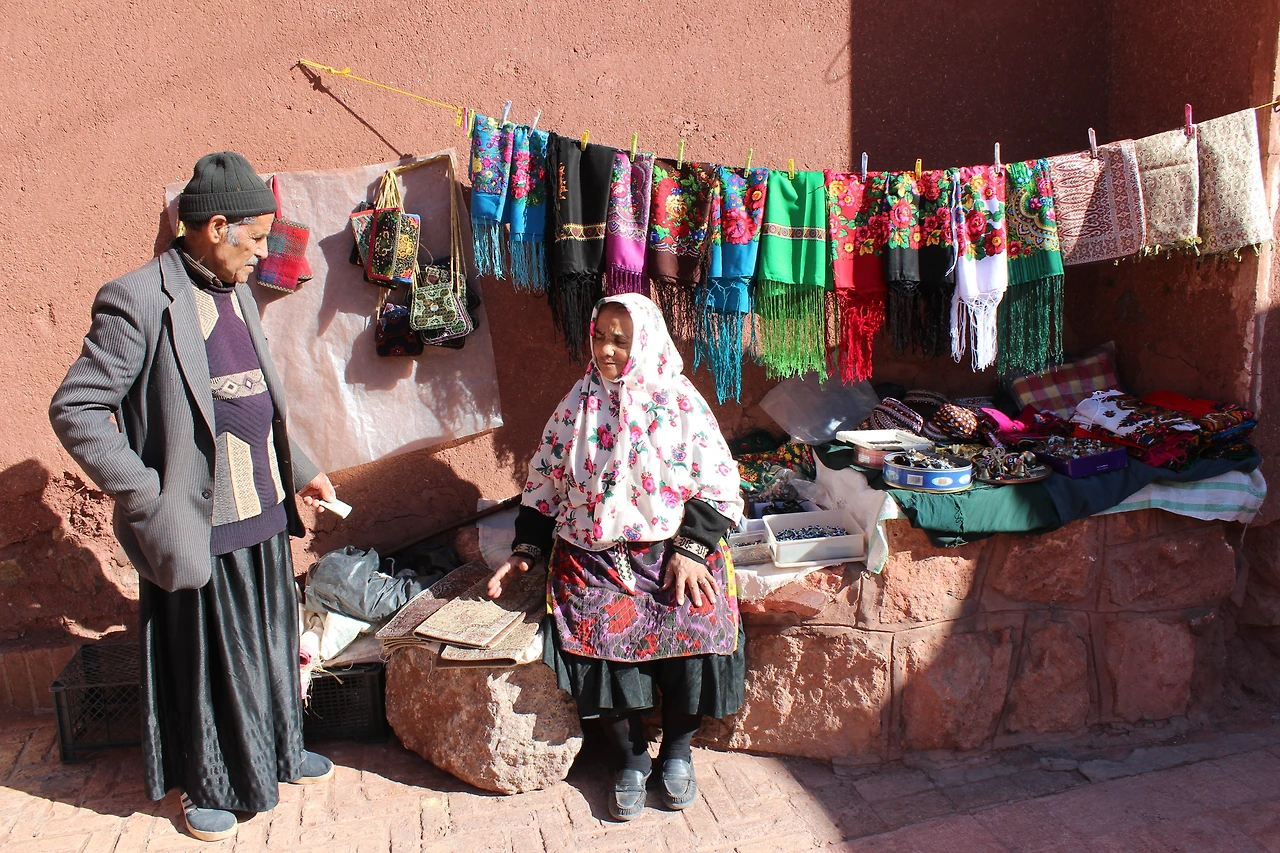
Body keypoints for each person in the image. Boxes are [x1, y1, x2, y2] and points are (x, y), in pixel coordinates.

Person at [49, 152, 339, 843]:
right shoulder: (138, 300)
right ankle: (209, 783)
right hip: (197, 521)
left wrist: (305, 468)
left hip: (263, 514)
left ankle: (277, 749)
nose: (264, 252)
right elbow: (77, 408)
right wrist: (148, 494)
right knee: (209, 661)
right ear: (215, 227)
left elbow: (255, 395)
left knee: (271, 642)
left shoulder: (233, 287)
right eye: (258, 236)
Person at [487, 293, 746, 821]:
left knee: (696, 620)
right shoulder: (577, 406)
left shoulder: (680, 403)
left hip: (675, 552)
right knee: (604, 632)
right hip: (594, 556)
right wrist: (526, 551)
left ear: (645, 342)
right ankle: (629, 759)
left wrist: (693, 551)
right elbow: (543, 486)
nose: (606, 350)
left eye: (621, 341)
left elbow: (720, 485)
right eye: (599, 336)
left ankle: (676, 750)